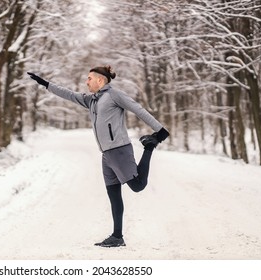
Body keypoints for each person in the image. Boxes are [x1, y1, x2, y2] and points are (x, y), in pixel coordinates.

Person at [27, 65, 169, 247]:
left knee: (137, 186)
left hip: (119, 149)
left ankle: (149, 147)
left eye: (89, 79)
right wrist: (45, 83)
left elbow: (137, 108)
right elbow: (68, 94)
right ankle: (117, 236)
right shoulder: (92, 100)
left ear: (100, 80)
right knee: (113, 194)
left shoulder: (114, 95)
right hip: (106, 155)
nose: (86, 82)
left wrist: (160, 131)